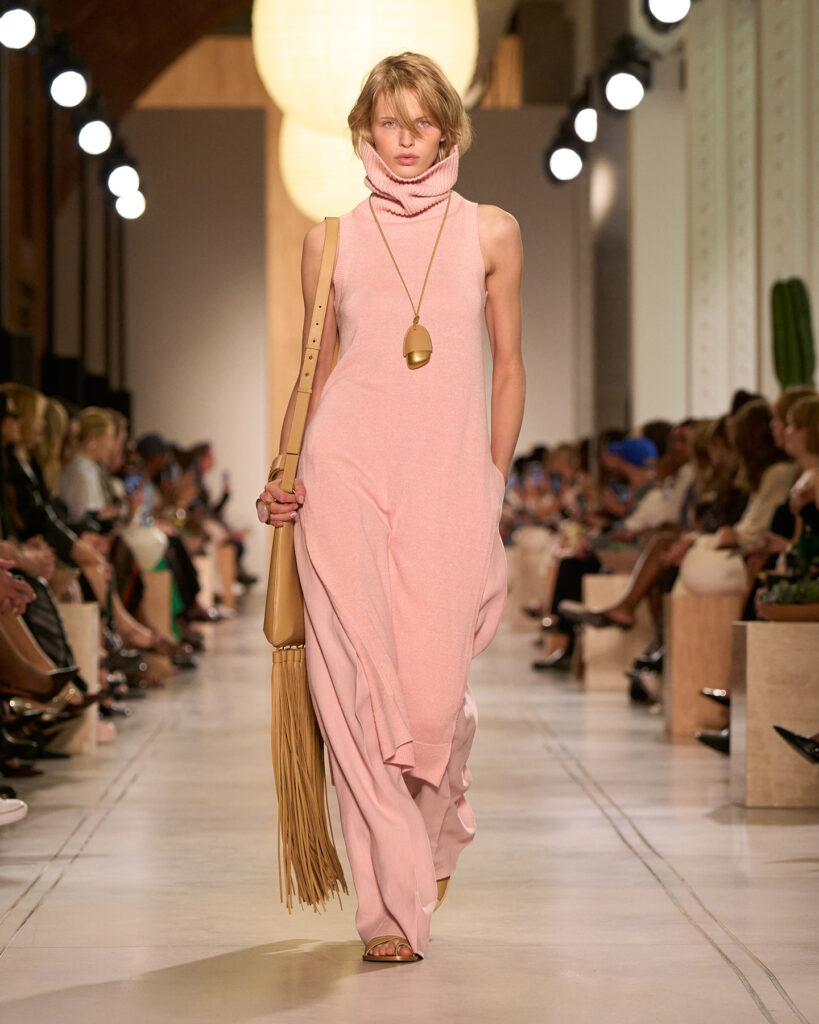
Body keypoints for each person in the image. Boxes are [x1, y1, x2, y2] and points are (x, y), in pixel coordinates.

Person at [257, 52, 524, 964]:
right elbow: (316, 370)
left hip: (449, 483)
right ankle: (387, 915)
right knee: (355, 698)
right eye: (387, 122)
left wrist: (492, 479)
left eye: (420, 122)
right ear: (363, 131)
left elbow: (509, 366)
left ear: (447, 128)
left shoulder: (490, 231)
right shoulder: (328, 238)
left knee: (434, 703)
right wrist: (285, 469)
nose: (404, 140)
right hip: (342, 474)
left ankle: (436, 826)